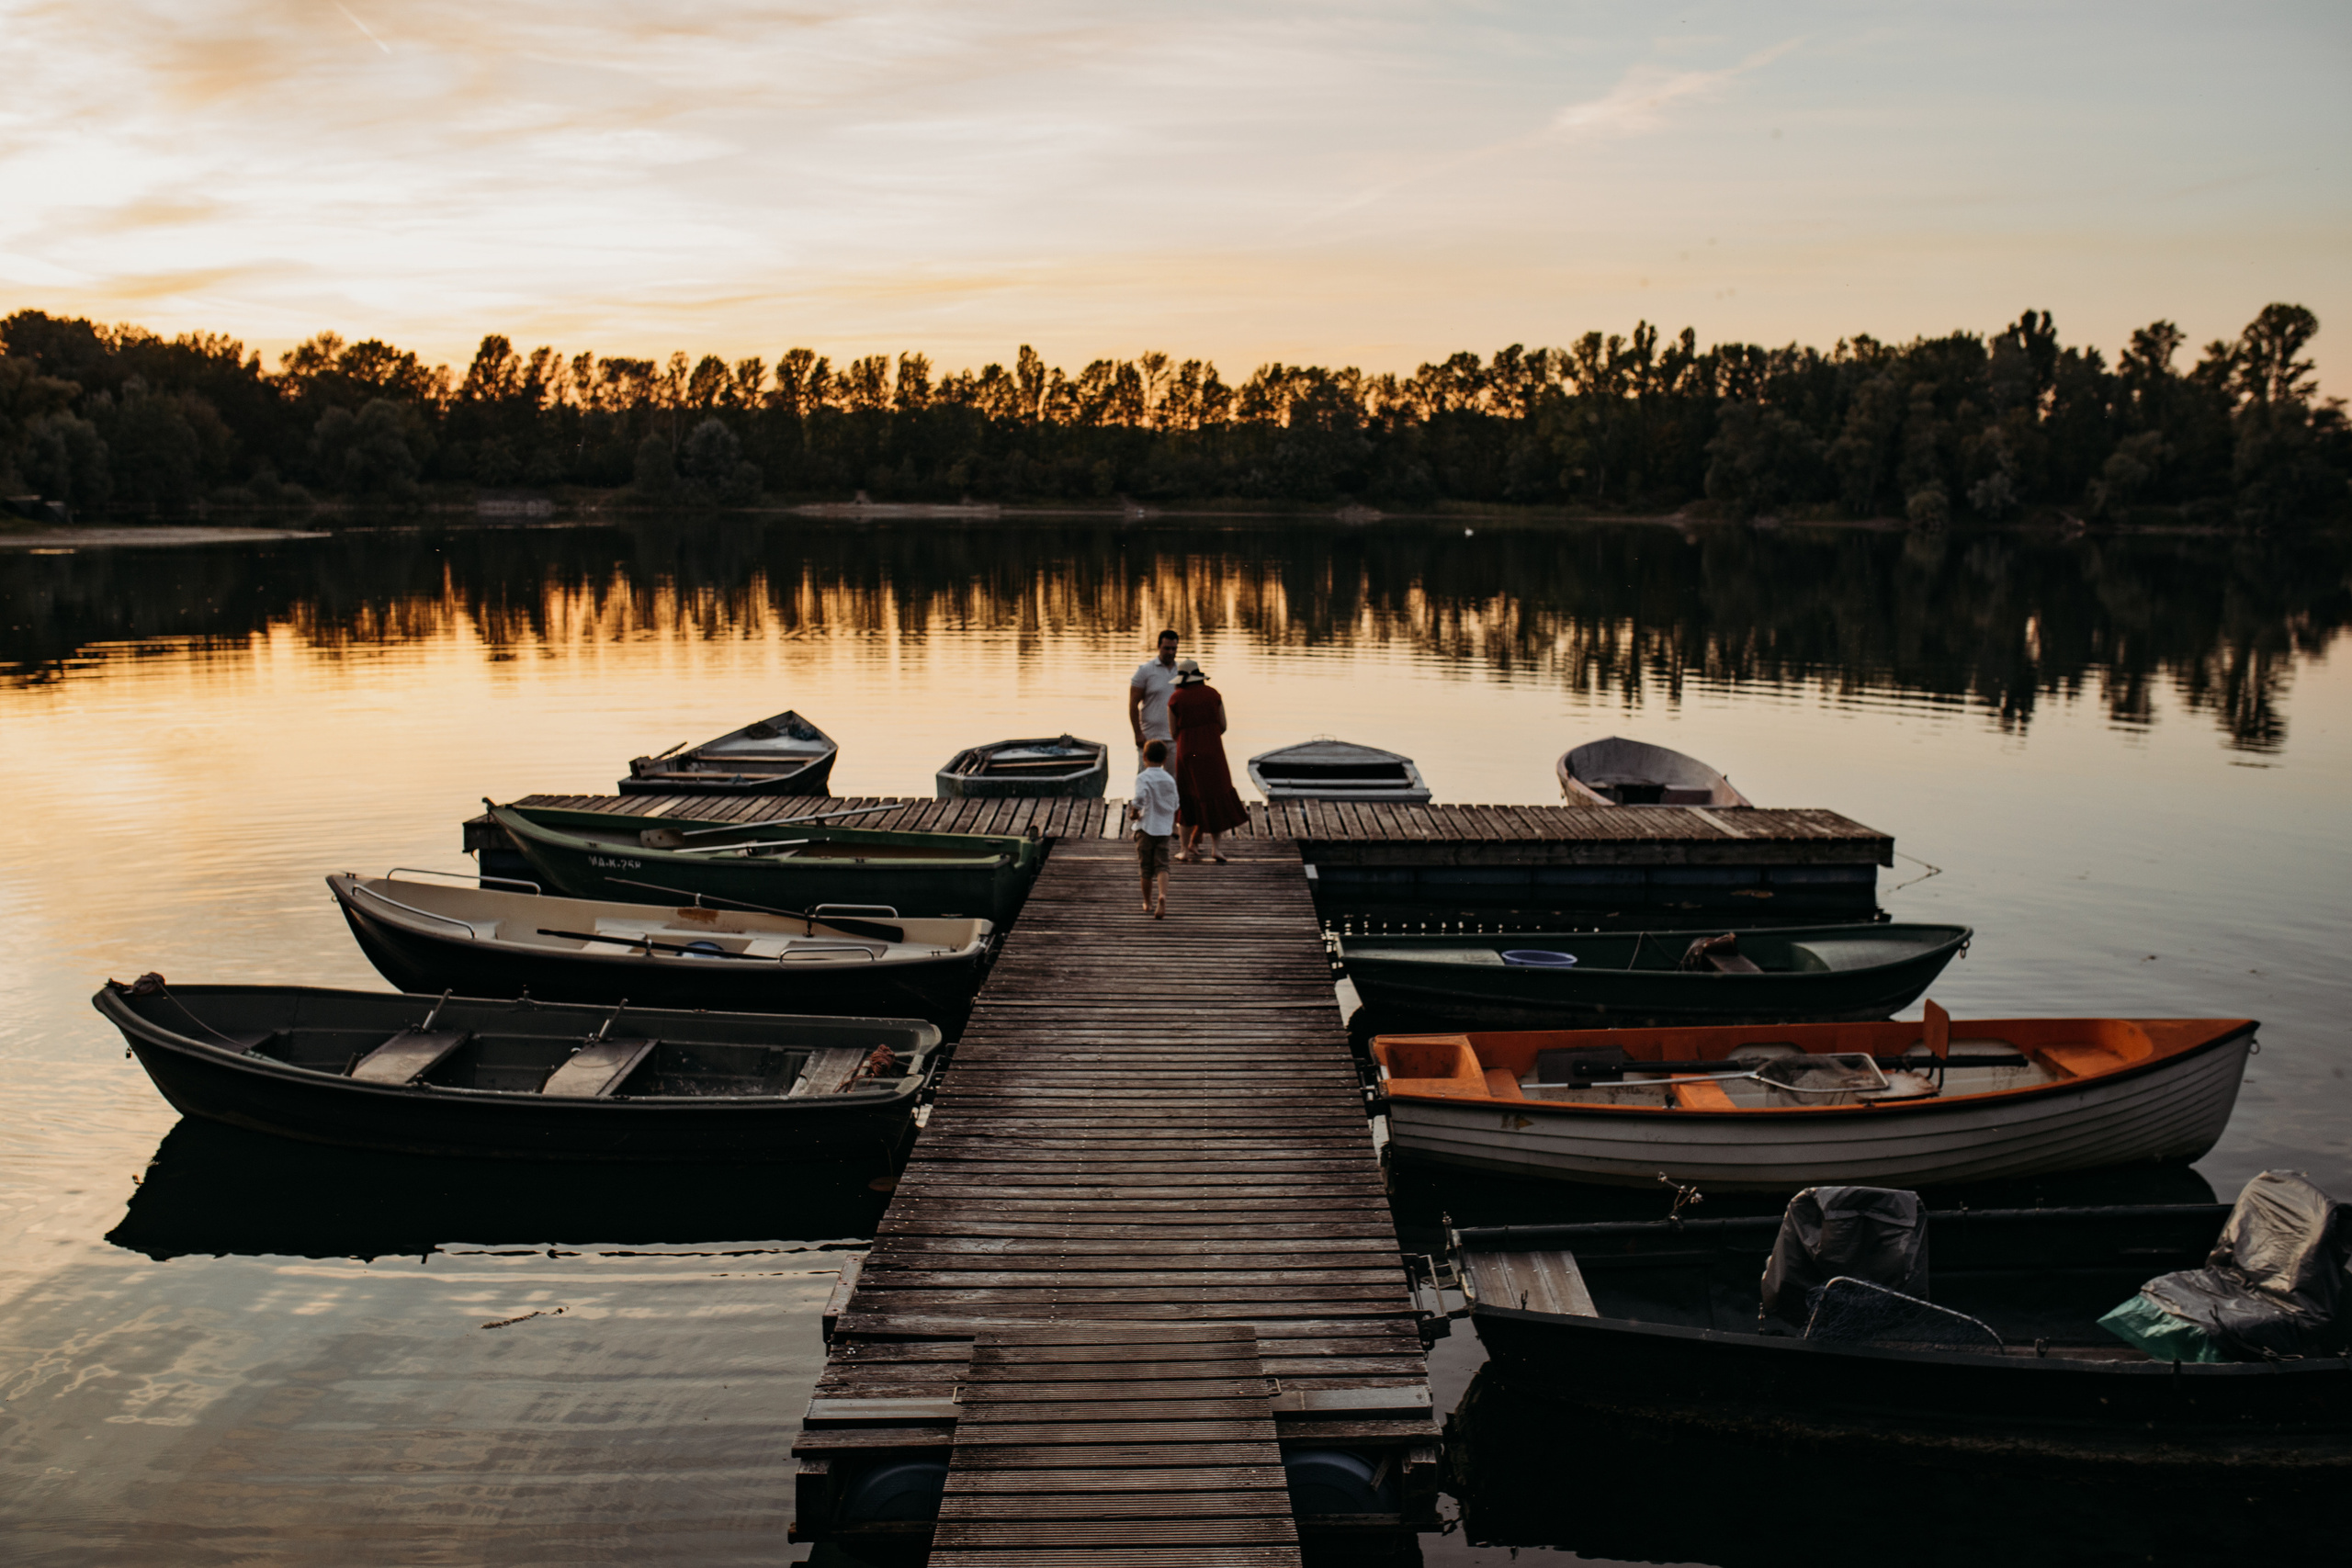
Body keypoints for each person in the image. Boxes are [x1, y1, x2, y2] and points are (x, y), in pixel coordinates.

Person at [1168, 659, 1249, 863]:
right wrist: (1208, 735)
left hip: (1187, 751)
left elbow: (1172, 732)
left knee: (1187, 799)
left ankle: (1185, 850)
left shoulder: (1175, 698)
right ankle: (1216, 849)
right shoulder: (1213, 694)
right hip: (1213, 749)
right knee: (1215, 796)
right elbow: (1223, 725)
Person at [1133, 739, 1179, 918]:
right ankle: (1162, 895)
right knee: (1163, 866)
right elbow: (1175, 804)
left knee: (1145, 868)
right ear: (1165, 759)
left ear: (1144, 757)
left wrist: (1134, 812)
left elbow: (1139, 798)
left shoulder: (1142, 777)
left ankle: (1147, 902)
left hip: (1145, 828)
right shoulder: (1169, 779)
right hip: (1164, 830)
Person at [1128, 628, 1180, 768]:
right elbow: (1133, 704)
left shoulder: (1181, 672)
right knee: (1146, 780)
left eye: (1174, 649)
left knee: (1173, 782)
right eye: (1166, 648)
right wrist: (1138, 733)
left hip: (1174, 738)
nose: (1170, 652)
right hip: (1149, 737)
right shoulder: (1145, 671)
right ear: (1158, 647)